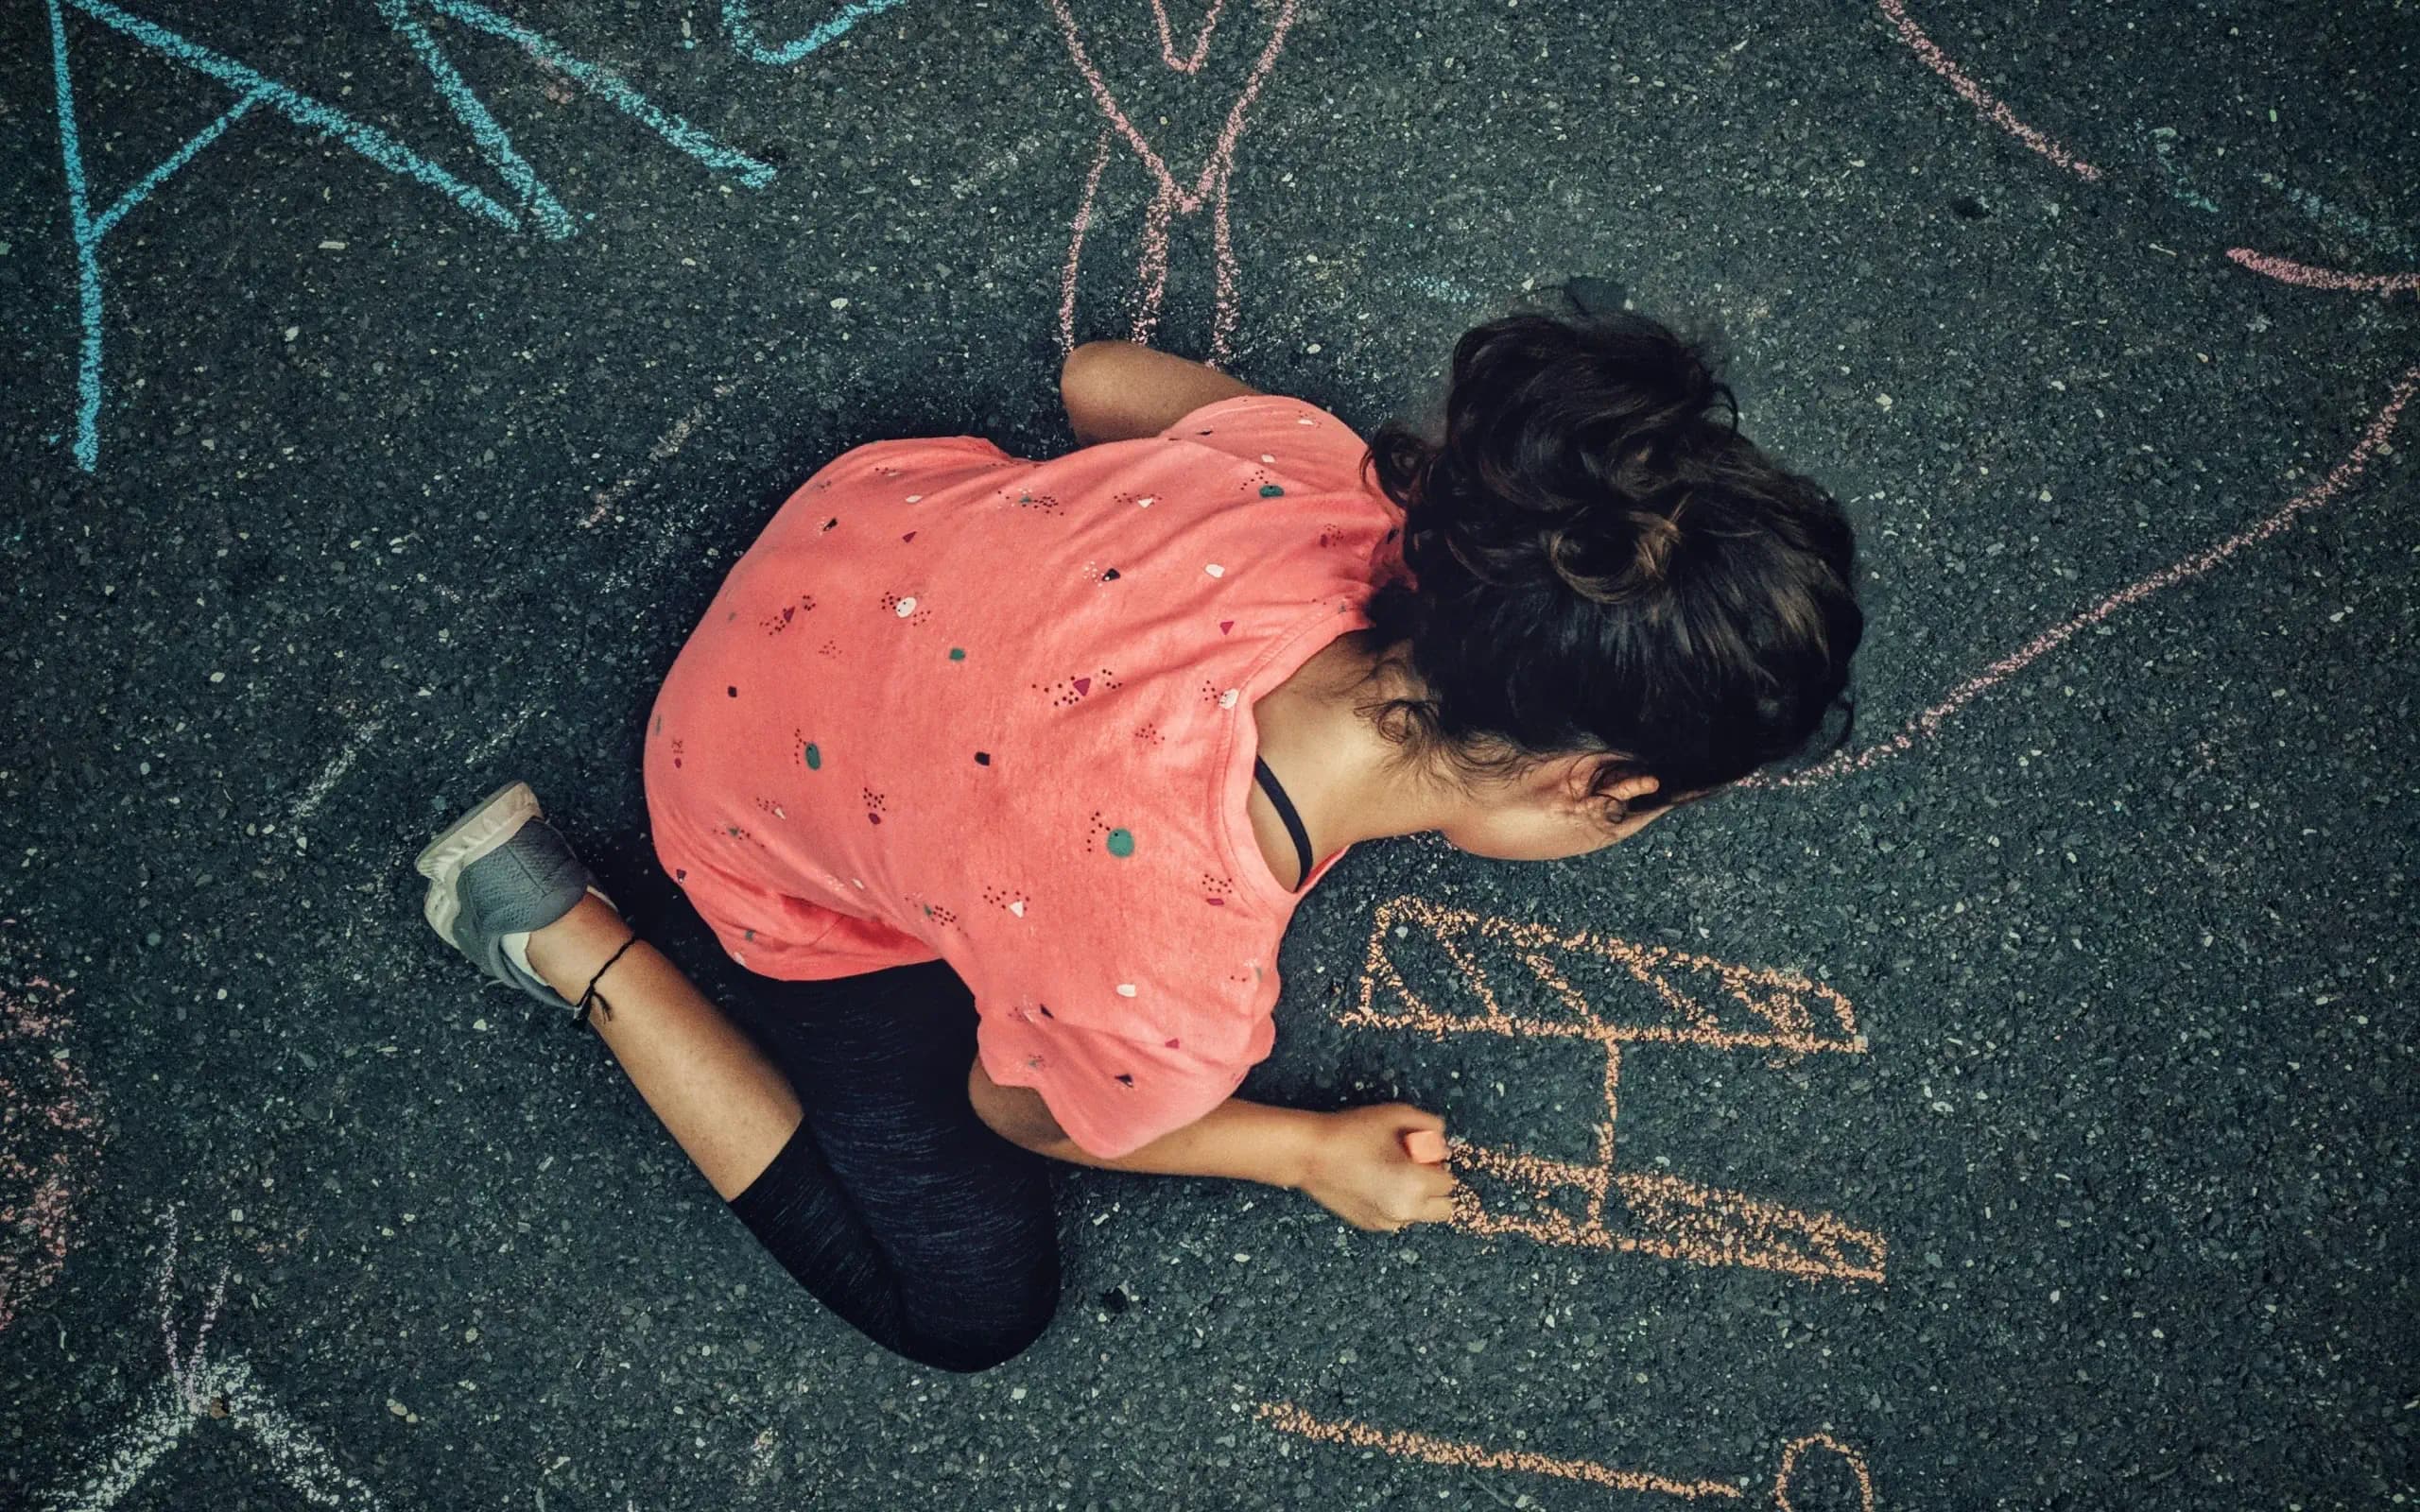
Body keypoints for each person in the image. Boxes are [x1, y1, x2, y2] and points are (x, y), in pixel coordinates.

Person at [412, 290, 1863, 1374]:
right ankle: (562, 931)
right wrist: (1304, 1153)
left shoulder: (1326, 486)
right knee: (967, 1313)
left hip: (844, 559)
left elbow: (1099, 378)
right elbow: (1016, 1109)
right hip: (748, 835)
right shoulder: (1163, 976)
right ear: (1587, 787)